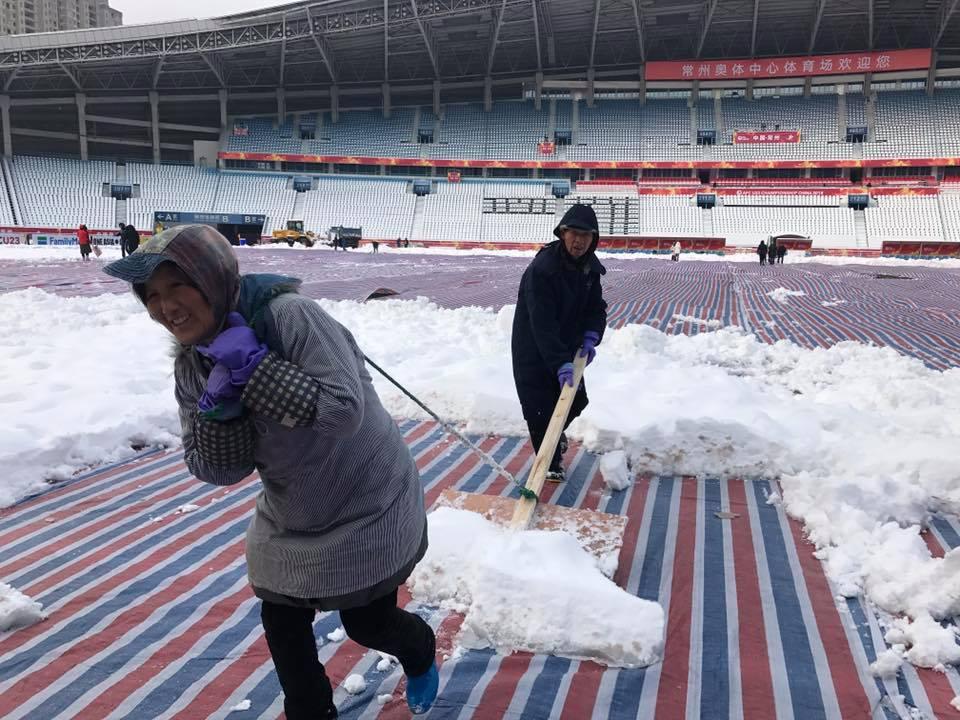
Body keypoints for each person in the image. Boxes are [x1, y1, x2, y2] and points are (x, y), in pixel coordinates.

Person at [102, 225, 439, 719]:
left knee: (367, 624)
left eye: (177, 286)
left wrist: (258, 367)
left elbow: (344, 413)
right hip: (295, 504)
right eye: (151, 295)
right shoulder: (193, 365)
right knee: (281, 617)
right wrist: (221, 412)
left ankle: (419, 651)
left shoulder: (291, 317)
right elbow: (215, 469)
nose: (165, 306)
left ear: (211, 278)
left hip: (367, 494)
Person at [511, 204, 607, 482]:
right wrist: (558, 361)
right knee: (539, 408)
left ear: (593, 239)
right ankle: (549, 462)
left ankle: (554, 439)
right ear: (563, 234)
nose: (579, 241)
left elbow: (595, 308)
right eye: (573, 234)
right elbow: (541, 322)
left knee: (576, 400)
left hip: (567, 344)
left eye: (585, 236)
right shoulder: (543, 269)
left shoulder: (590, 269)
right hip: (533, 346)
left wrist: (591, 335)